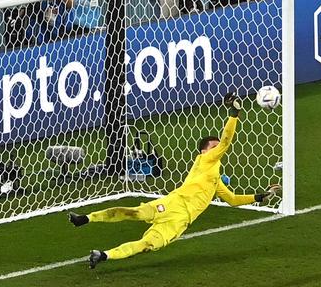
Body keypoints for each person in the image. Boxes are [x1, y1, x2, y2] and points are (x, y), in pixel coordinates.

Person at [69, 95, 279, 268]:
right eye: (213, 147)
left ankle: (103, 255)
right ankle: (85, 218)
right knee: (133, 212)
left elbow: (232, 200)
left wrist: (260, 196)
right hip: (172, 203)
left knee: (146, 244)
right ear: (205, 150)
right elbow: (226, 141)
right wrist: (234, 115)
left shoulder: (214, 178)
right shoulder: (205, 159)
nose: (218, 150)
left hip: (179, 220)